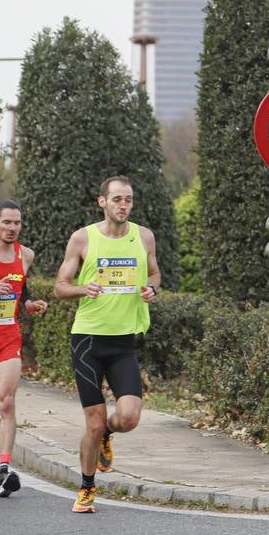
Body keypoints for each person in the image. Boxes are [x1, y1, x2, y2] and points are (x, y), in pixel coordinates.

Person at [53, 176, 161, 514]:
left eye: (128, 199)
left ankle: (106, 437)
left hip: (123, 340)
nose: (123, 205)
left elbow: (155, 274)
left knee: (128, 418)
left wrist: (152, 290)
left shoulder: (143, 237)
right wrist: (83, 289)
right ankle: (86, 487)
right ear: (102, 201)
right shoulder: (83, 238)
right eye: (117, 199)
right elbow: (60, 286)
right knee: (94, 422)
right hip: (87, 340)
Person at [0, 200, 47, 497]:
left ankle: (3, 469)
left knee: (6, 402)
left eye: (17, 223)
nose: (12, 228)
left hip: (7, 336)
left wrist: (30, 305)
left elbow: (21, 292)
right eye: (7, 222)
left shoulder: (25, 255)